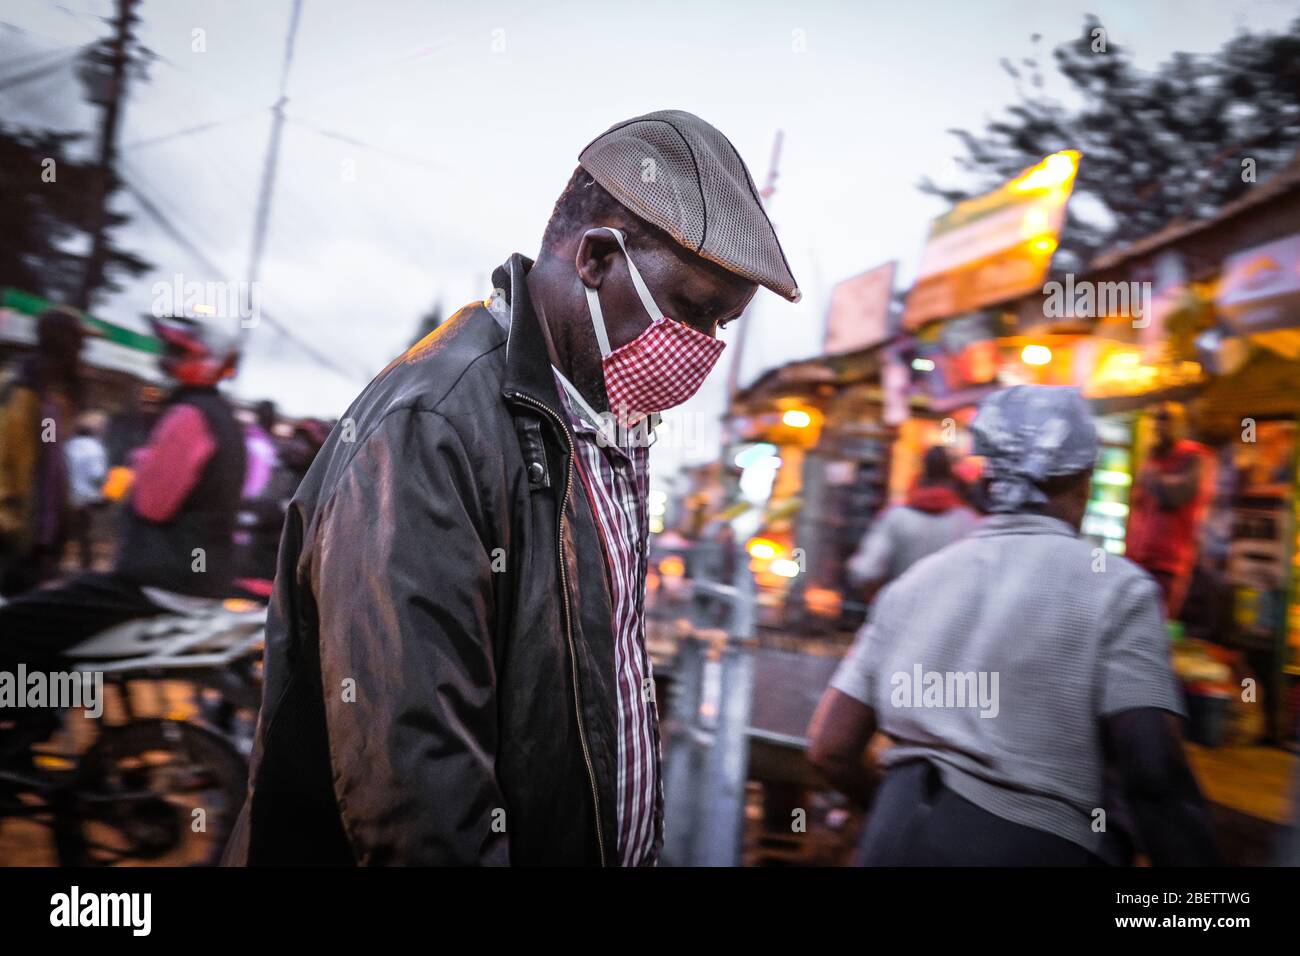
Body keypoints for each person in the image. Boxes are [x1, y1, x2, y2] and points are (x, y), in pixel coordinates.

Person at [224, 109, 801, 867]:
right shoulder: (432, 426)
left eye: (723, 326)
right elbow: (418, 783)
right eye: (694, 312)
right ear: (596, 258)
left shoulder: (603, 418)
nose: (705, 349)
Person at [807, 385, 1218, 866]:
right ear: (1084, 478)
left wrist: (892, 813)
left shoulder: (913, 585)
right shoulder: (1118, 591)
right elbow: (1154, 776)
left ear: (988, 476)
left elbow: (830, 749)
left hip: (891, 841)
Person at [0, 314, 247, 668]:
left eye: (176, 351)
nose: (166, 360)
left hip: (159, 580)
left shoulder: (189, 415)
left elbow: (151, 505)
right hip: (191, 581)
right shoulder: (222, 418)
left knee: (16, 625)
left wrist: (142, 461)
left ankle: (33, 707)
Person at [0, 307, 86, 595]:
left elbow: (48, 459)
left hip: (42, 543)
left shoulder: (51, 398)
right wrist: (9, 525)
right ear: (63, 343)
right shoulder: (19, 392)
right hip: (15, 541)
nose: (82, 351)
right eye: (78, 343)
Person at [846, 444, 979, 602]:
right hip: (949, 618)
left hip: (900, 612)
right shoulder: (968, 522)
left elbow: (864, 571)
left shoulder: (897, 517)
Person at [1126, 402, 1214, 618]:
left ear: (1181, 425)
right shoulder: (1152, 458)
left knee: (1154, 623)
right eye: (1156, 420)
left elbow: (1175, 495)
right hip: (1137, 559)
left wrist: (1152, 473)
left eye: (1166, 420)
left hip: (1167, 563)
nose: (1159, 426)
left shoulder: (1192, 456)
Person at [64, 411, 109, 570]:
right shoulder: (95, 448)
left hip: (69, 496)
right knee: (85, 534)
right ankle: (86, 565)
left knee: (69, 532)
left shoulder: (69, 445)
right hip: (87, 498)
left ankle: (64, 563)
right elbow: (97, 475)